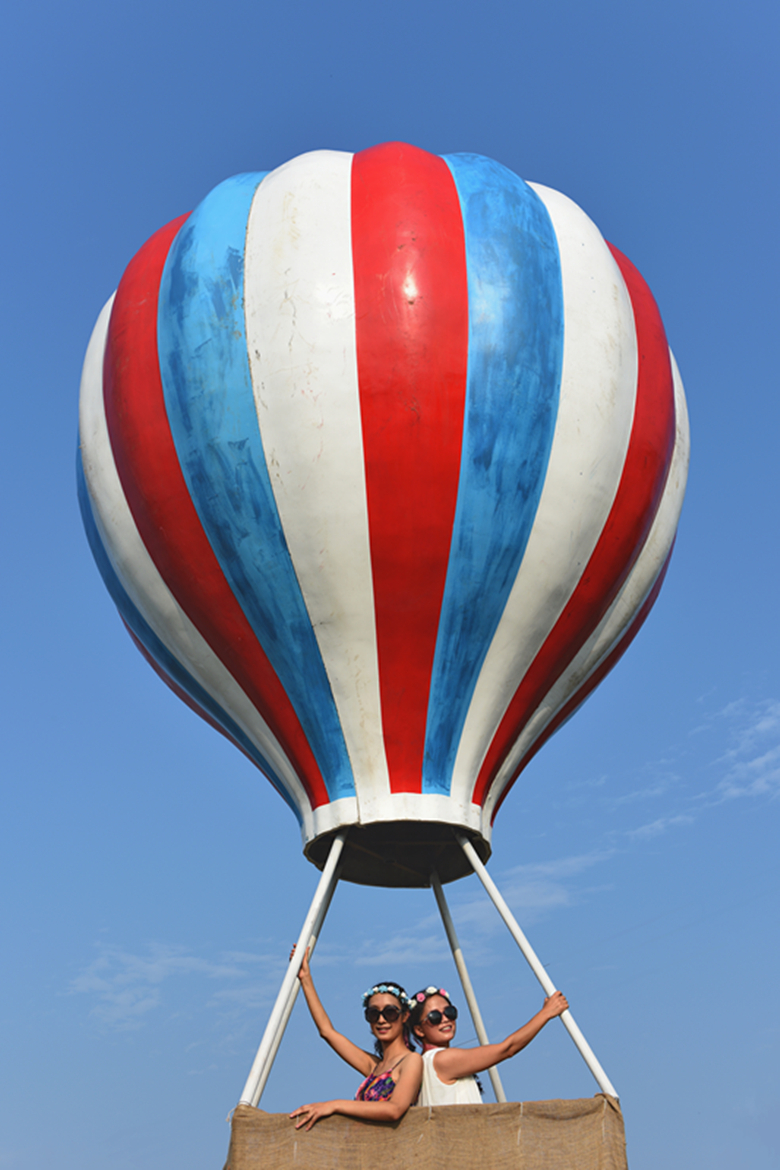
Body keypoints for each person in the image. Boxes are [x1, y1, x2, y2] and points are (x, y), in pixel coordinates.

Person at [289, 948, 423, 1130]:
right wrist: (305, 978)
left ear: (405, 1016)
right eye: (373, 1013)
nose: (381, 1020)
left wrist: (334, 1104)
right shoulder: (375, 1067)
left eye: (390, 1013)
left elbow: (395, 1109)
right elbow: (327, 1032)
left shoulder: (411, 1061)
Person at [410, 984, 569, 1106]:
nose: (445, 1019)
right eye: (434, 1017)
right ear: (419, 1030)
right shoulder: (441, 1059)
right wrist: (546, 1013)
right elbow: (507, 1049)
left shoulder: (422, 1063)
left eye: (449, 1012)